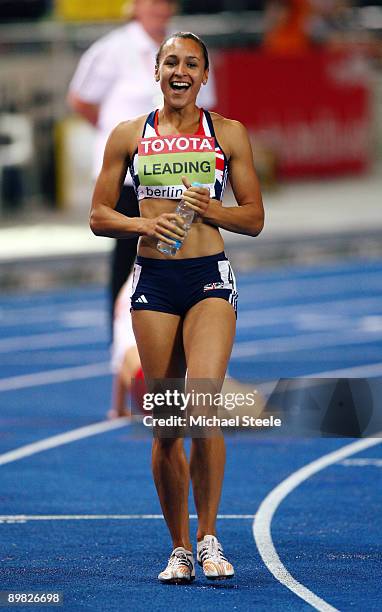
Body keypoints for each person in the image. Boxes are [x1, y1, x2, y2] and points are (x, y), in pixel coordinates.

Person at [90, 32, 264, 583]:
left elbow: (255, 217)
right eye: (171, 61)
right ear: (157, 71)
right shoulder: (128, 136)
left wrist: (212, 209)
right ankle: (180, 547)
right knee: (166, 425)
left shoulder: (228, 134)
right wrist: (142, 222)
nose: (180, 70)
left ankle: (210, 538)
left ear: (205, 75)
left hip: (208, 276)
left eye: (192, 63)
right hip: (154, 283)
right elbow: (97, 216)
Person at [67, 0, 216, 332]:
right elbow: (80, 99)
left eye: (165, 2)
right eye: (151, 2)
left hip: (180, 178)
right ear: (134, 6)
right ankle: (123, 341)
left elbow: (207, 111)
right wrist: (125, 144)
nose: (159, 8)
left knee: (187, 254)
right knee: (129, 257)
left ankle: (184, 334)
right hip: (131, 178)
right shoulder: (111, 50)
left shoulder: (192, 49)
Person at [108, 271, 147, 419]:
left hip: (145, 389)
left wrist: (118, 409)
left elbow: (120, 365)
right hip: (155, 384)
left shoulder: (128, 289)